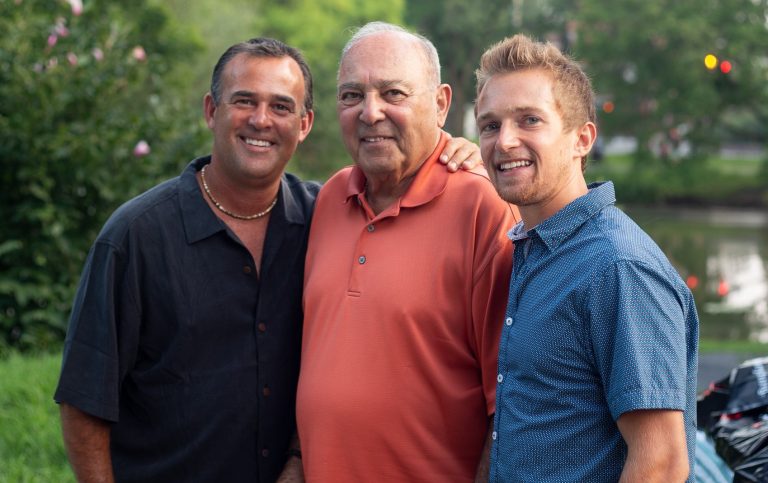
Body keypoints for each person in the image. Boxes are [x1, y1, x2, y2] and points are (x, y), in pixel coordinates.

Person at [54, 37, 479, 483]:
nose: (261, 120)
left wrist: (455, 152)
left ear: (304, 124)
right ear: (211, 111)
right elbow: (85, 400)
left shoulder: (324, 217)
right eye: (244, 101)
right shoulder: (135, 237)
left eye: (281, 106)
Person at [296, 22, 520, 482]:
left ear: (440, 104)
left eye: (393, 93)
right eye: (351, 95)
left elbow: (512, 403)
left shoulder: (483, 207)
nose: (370, 112)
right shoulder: (330, 199)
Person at [473, 34, 698, 482]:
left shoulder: (617, 267)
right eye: (491, 125)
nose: (505, 141)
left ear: (582, 139)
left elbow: (661, 463)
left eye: (530, 120)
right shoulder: (534, 250)